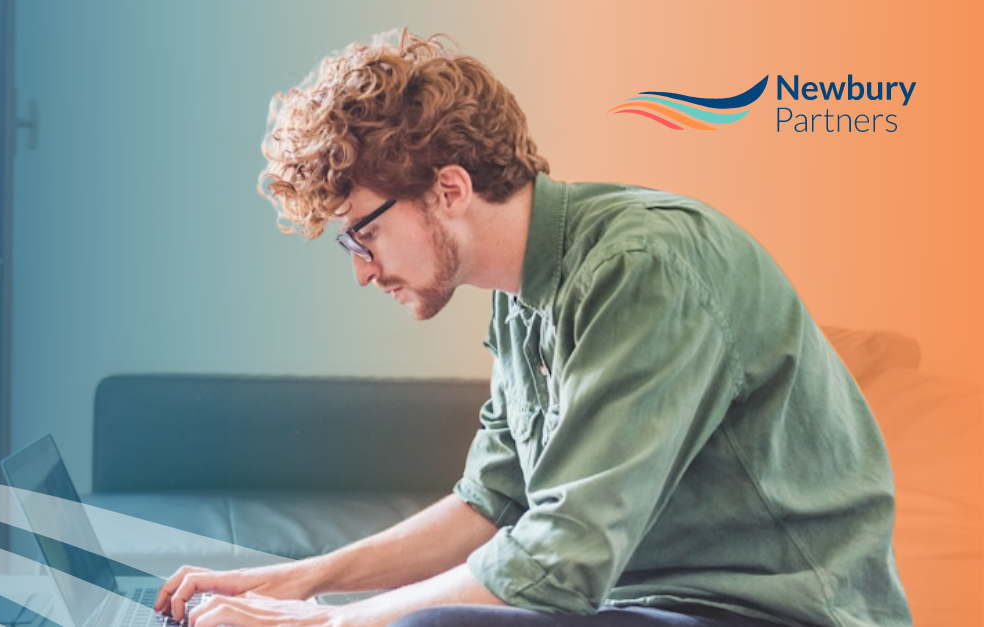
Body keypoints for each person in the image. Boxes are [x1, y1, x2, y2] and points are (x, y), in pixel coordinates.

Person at [154, 30, 911, 627]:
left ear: (449, 189)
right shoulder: (522, 298)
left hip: (771, 613)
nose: (361, 270)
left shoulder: (643, 267)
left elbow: (563, 556)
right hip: (654, 604)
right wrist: (295, 581)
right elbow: (491, 503)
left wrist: (326, 624)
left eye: (363, 236)